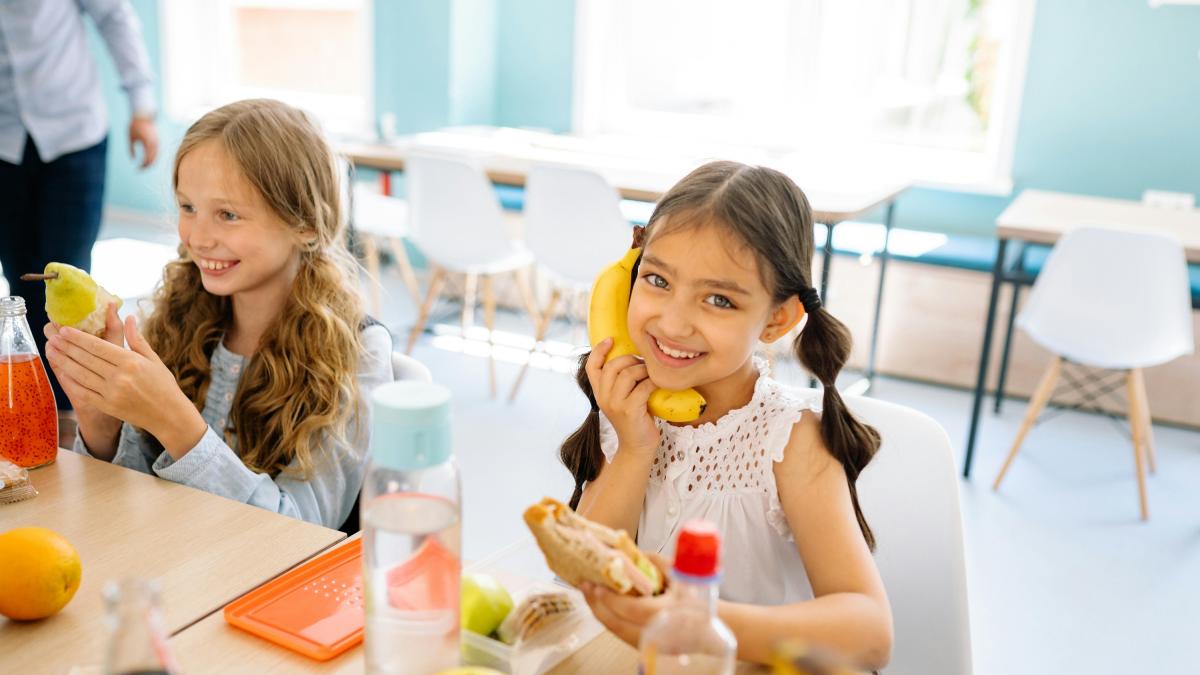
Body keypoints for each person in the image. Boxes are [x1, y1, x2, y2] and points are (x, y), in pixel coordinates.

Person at [560, 161, 893, 668]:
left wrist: (693, 620)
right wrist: (634, 448)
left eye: (718, 300)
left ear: (776, 319)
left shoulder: (789, 439)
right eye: (657, 280)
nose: (673, 322)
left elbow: (870, 633)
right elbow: (581, 576)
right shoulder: (628, 409)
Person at [44, 99, 392, 529]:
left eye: (228, 215)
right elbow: (134, 503)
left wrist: (176, 422)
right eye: (188, 208)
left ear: (304, 224)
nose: (198, 238)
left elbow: (302, 531)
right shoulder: (177, 314)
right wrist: (101, 425)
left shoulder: (359, 353)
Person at [0, 0, 160, 414]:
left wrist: (142, 107)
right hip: (4, 140)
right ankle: (34, 402)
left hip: (74, 132)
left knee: (69, 278)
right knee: (20, 281)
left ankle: (81, 407)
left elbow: (115, 18)